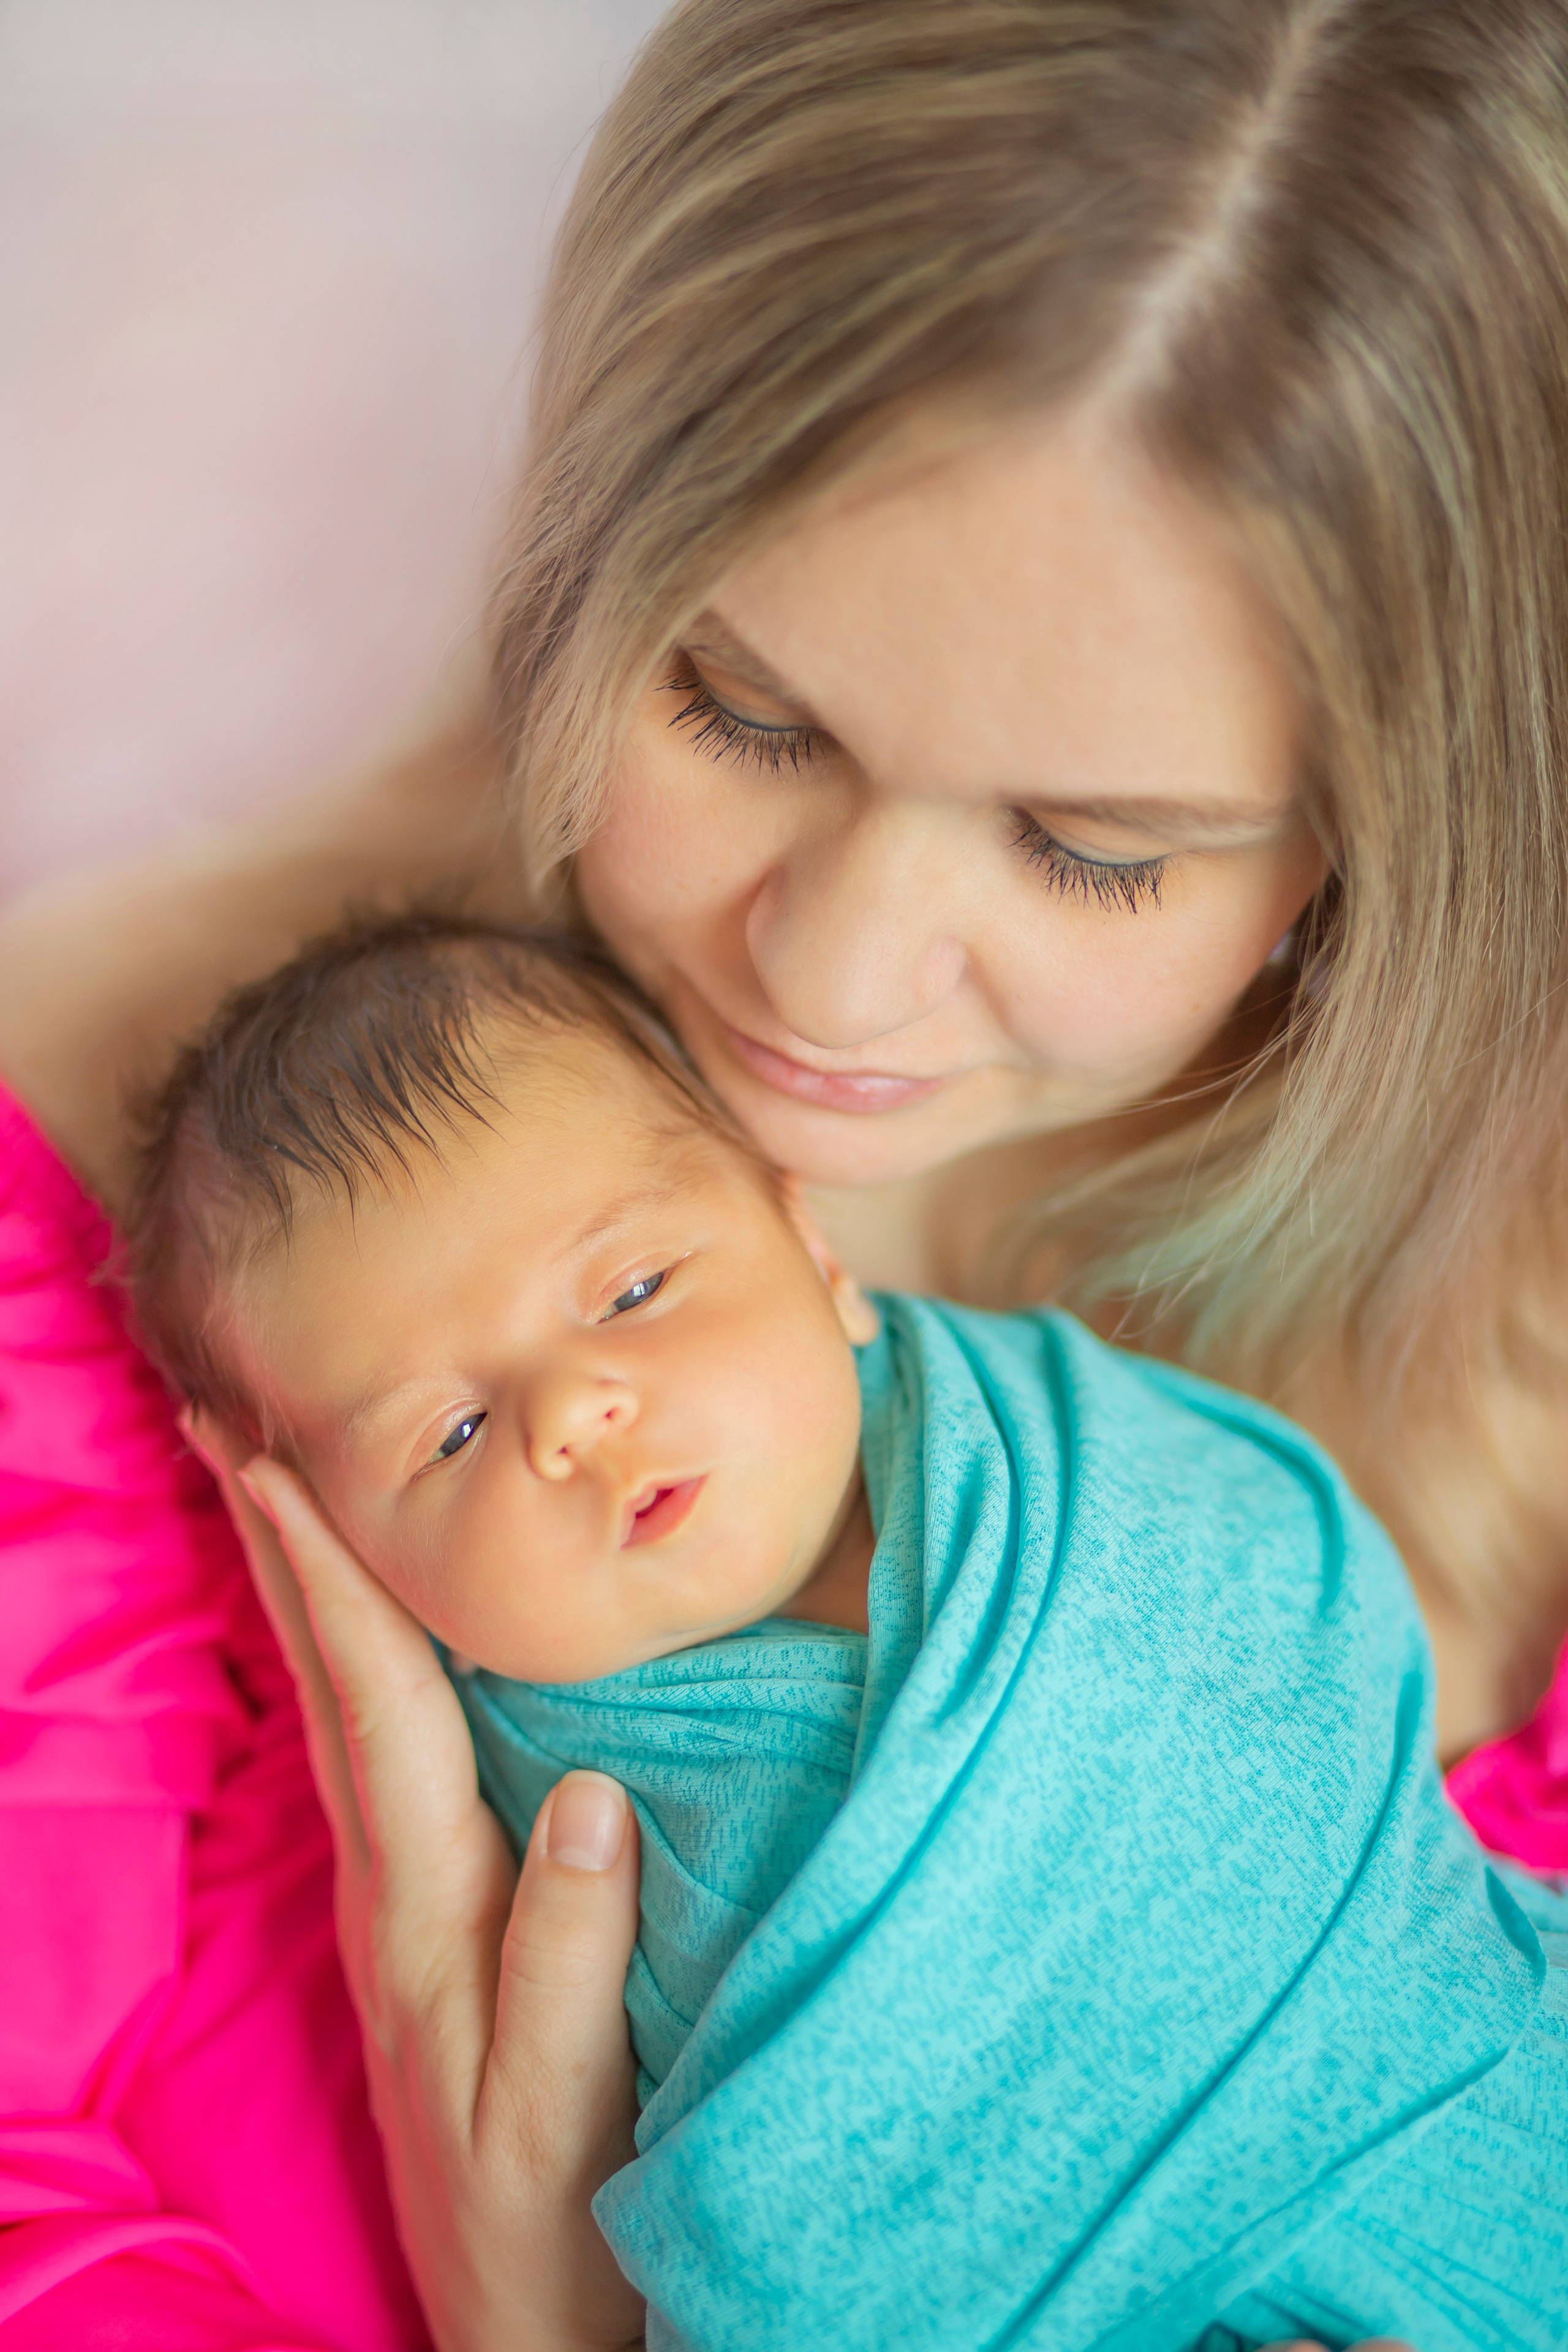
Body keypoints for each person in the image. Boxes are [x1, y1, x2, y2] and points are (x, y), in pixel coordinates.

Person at [1, 0, 1564, 2342]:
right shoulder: (80, 1227)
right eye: (743, 711)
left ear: (1391, 855)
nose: (826, 981)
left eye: (1091, 849)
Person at [124, 911, 1568, 2351]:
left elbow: (1276, 1600)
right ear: (356, 1563)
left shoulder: (1044, 1450)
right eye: (449, 1433)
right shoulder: (546, 1808)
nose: (572, 1416)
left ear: (813, 1250)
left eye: (634, 1291)